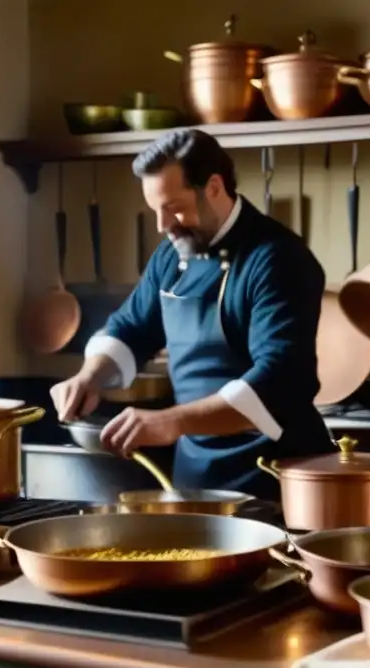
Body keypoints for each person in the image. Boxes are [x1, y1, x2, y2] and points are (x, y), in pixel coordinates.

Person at [50, 129, 332, 500]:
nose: (162, 226)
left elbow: (279, 380)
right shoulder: (172, 254)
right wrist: (91, 376)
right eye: (155, 210)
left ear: (214, 187)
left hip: (272, 477)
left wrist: (170, 422)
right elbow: (132, 326)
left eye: (174, 207)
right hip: (194, 476)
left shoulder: (277, 259)